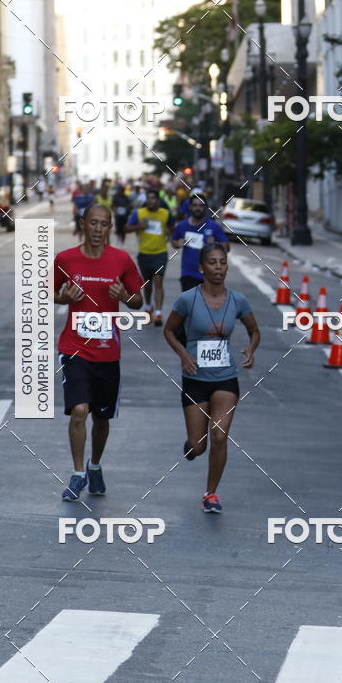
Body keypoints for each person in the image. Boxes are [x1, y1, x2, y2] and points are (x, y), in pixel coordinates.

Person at [54, 203, 143, 501]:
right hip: (74, 349)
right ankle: (78, 474)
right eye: (93, 223)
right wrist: (63, 296)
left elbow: (138, 300)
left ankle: (94, 466)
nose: (98, 230)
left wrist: (125, 296)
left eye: (104, 225)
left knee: (101, 420)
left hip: (107, 352)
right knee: (80, 411)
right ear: (83, 224)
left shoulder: (122, 260)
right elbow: (46, 292)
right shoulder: (65, 259)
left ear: (109, 228)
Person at [163, 243, 260, 513]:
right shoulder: (187, 299)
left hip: (225, 378)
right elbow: (169, 331)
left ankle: (211, 494)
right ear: (201, 268)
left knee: (219, 436)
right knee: (199, 446)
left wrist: (251, 349)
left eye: (222, 262)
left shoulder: (238, 300)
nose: (218, 268)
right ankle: (192, 448)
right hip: (194, 377)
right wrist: (183, 354)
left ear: (227, 266)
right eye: (213, 263)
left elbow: (254, 330)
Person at [125, 188, 173, 327]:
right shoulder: (139, 213)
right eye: (149, 198)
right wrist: (140, 226)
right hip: (144, 254)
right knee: (147, 284)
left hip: (160, 253)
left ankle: (158, 313)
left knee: (158, 281)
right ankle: (148, 307)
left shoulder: (165, 213)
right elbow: (126, 228)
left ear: (158, 200)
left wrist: (170, 234)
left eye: (153, 198)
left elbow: (171, 227)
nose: (151, 201)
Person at [171, 193, 229, 291]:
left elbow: (227, 247)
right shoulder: (182, 225)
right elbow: (173, 241)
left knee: (207, 305)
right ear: (190, 207)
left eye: (201, 205)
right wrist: (178, 243)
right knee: (190, 305)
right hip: (188, 274)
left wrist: (215, 245)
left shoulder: (213, 226)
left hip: (209, 275)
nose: (198, 208)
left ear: (205, 208)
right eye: (195, 205)